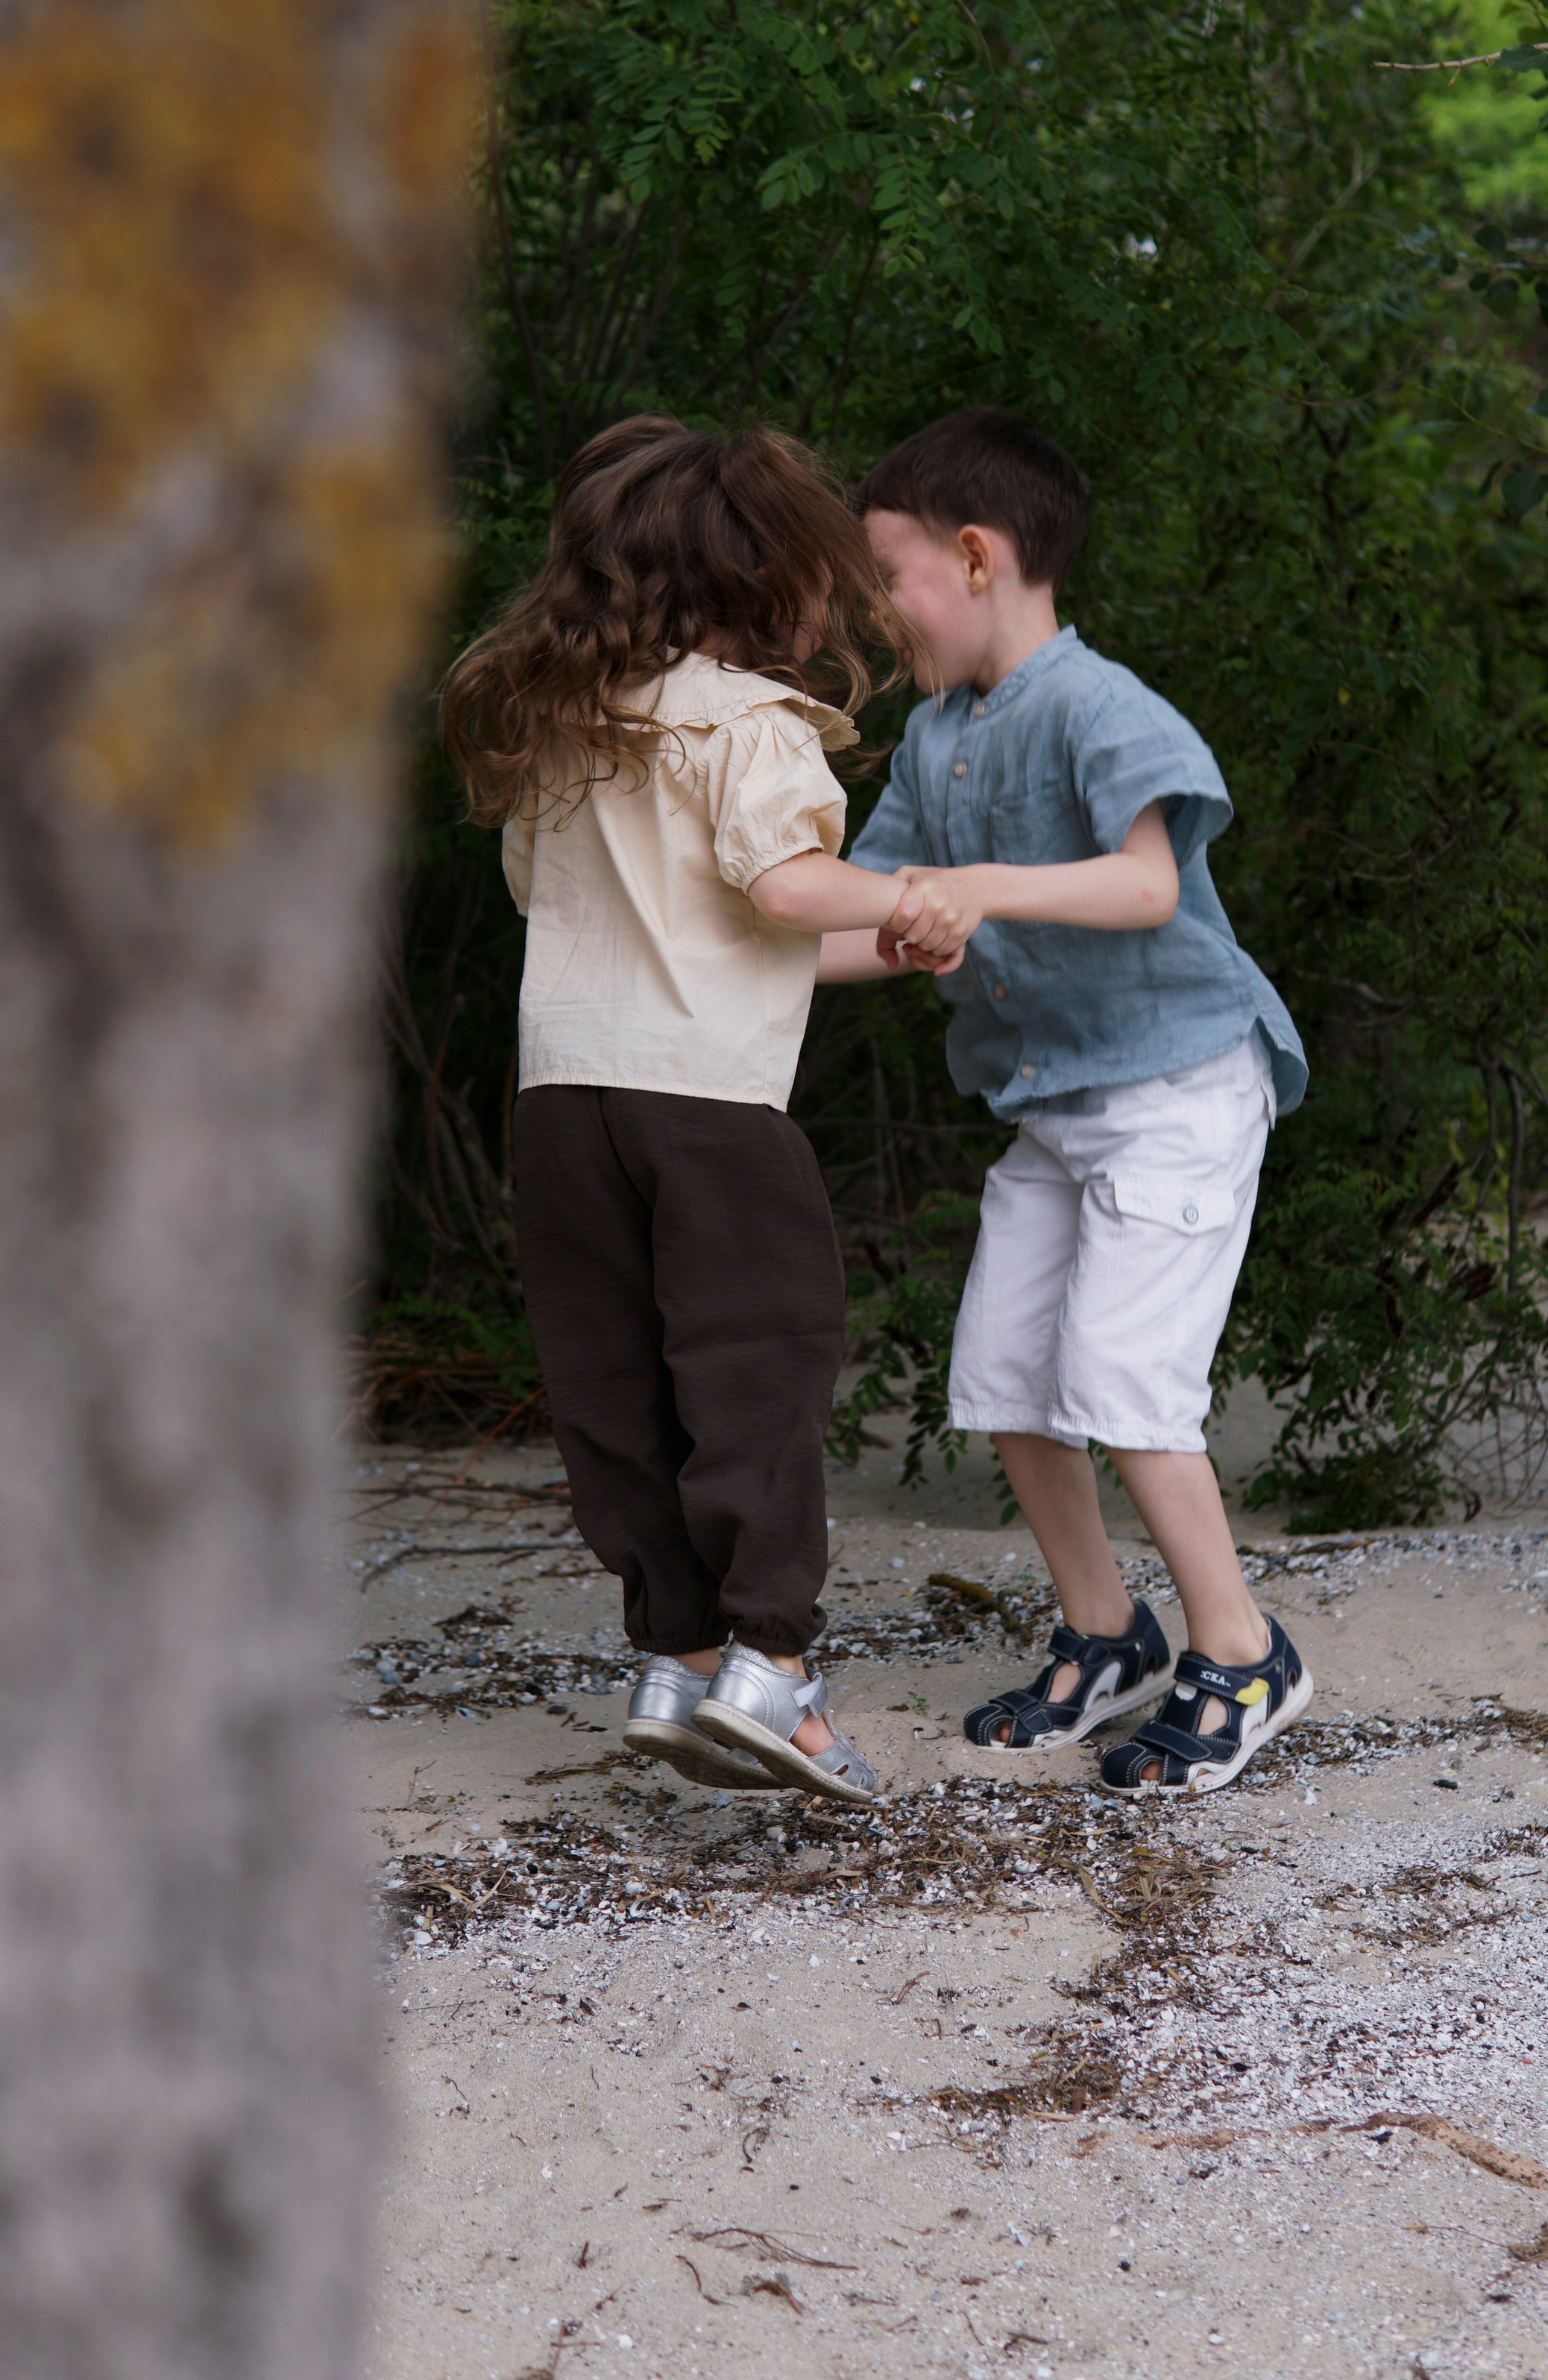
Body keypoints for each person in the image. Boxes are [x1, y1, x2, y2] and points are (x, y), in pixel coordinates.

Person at [441, 415, 956, 1810]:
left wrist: (882, 948)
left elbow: (697, 930)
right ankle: (773, 1676)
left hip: (566, 1110)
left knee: (614, 1385)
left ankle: (674, 1657)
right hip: (714, 1121)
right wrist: (915, 895)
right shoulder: (753, 724)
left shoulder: (576, 737)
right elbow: (786, 890)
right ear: (763, 582)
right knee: (755, 1374)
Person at [818, 406, 1314, 1793]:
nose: (879, 614)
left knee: (1125, 1379)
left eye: (890, 580)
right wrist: (749, 962)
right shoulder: (930, 739)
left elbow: (1148, 884)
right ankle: (1106, 1631)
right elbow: (879, 915)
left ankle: (1244, 1651)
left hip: (1177, 1090)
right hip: (1057, 1108)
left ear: (976, 557)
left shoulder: (1099, 705)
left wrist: (982, 893)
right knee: (1010, 1376)